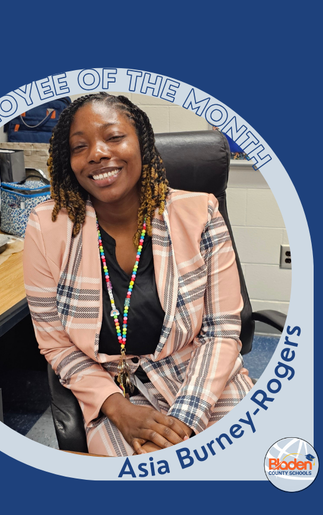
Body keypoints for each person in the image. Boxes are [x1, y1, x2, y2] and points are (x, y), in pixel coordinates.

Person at [22, 92, 253, 457]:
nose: (97, 153)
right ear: (70, 162)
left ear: (142, 145)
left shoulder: (199, 214)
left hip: (202, 379)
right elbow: (56, 344)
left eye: (114, 137)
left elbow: (222, 331)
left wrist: (185, 420)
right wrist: (119, 408)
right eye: (80, 146)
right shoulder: (47, 228)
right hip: (116, 390)